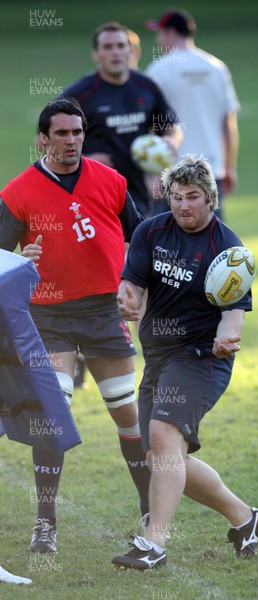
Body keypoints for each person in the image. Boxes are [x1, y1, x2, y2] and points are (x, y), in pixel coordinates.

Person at [0, 97, 151, 553]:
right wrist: (18, 261)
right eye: (61, 133)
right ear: (43, 138)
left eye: (77, 132)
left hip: (104, 312)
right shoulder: (18, 192)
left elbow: (139, 238)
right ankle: (45, 523)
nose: (71, 140)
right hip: (48, 317)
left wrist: (135, 288)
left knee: (126, 411)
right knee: (53, 411)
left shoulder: (110, 181)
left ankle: (149, 510)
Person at [111, 154, 258, 570]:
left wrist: (226, 335)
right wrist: (128, 299)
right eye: (177, 197)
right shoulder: (151, 230)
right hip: (159, 357)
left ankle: (153, 543)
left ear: (210, 199)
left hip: (201, 358)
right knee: (163, 457)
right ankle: (246, 519)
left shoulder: (228, 248)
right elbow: (133, 284)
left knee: (163, 436)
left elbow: (233, 313)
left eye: (193, 197)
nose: (183, 205)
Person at [61, 21, 182, 218]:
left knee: (136, 247)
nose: (115, 52)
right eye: (107, 47)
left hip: (136, 197)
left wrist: (170, 142)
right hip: (91, 196)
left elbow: (170, 126)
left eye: (120, 46)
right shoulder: (79, 95)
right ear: (96, 54)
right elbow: (44, 141)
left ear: (131, 51)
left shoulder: (146, 87)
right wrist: (84, 161)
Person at [145, 9, 240, 221]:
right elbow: (228, 123)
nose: (158, 40)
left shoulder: (159, 70)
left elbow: (151, 125)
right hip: (211, 169)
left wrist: (153, 174)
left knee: (167, 243)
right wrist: (229, 167)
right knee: (212, 242)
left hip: (171, 171)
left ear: (170, 32)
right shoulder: (216, 67)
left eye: (160, 33)